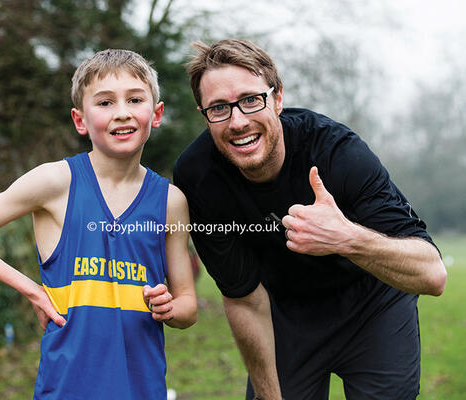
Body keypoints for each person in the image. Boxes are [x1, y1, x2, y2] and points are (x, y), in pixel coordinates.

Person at [173, 39, 446, 400]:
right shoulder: (198, 176)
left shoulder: (338, 152)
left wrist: (346, 238)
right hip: (286, 314)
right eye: (219, 108)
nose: (237, 121)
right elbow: (242, 299)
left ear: (278, 97)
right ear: (204, 114)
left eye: (251, 100)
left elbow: (432, 274)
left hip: (373, 304)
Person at [0, 49, 197, 400]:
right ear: (80, 120)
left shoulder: (170, 202)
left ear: (157, 113)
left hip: (142, 388)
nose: (122, 113)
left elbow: (188, 306)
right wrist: (32, 290)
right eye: (104, 103)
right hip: (66, 389)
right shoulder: (55, 182)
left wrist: (170, 308)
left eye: (135, 99)